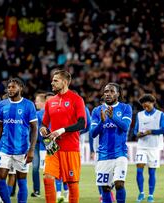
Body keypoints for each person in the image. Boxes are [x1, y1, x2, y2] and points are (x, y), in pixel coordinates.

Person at [40, 70, 86, 203]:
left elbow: (82, 124)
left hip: (70, 147)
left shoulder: (76, 99)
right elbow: (44, 122)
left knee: (72, 183)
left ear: (64, 82)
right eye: (52, 80)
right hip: (53, 147)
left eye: (55, 80)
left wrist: (61, 131)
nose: (52, 82)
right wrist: (43, 128)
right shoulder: (50, 102)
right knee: (47, 177)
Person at [0, 77, 38, 203]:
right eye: (9, 87)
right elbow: (0, 127)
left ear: (20, 88)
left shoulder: (28, 105)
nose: (10, 89)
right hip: (3, 148)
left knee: (22, 181)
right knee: (0, 177)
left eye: (13, 87)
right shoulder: (3, 104)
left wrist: (31, 150)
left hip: (21, 149)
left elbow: (34, 129)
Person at [90, 82, 132, 203]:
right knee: (106, 188)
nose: (108, 94)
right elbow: (93, 133)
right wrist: (101, 122)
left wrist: (113, 117)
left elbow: (125, 127)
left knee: (119, 184)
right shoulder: (97, 111)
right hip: (103, 155)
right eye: (106, 91)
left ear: (118, 94)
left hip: (120, 154)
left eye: (112, 91)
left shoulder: (125, 108)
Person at [134, 94, 164, 203]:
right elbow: (135, 131)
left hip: (154, 147)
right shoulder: (139, 115)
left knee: (151, 172)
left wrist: (151, 131)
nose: (144, 105)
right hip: (141, 146)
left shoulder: (160, 114)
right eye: (142, 103)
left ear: (152, 102)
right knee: (139, 170)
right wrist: (138, 134)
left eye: (146, 102)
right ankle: (141, 193)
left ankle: (151, 195)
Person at [31, 93, 47, 198]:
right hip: (38, 144)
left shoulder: (39, 114)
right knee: (36, 168)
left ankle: (38, 191)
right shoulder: (37, 113)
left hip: (42, 144)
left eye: (37, 101)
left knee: (39, 168)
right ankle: (37, 190)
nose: (35, 103)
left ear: (42, 102)